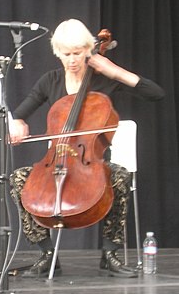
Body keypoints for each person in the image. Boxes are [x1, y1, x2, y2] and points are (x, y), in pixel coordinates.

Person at [9, 19, 165, 278]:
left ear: (89, 50)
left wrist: (115, 72)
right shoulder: (51, 81)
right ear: (58, 53)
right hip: (56, 162)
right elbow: (21, 112)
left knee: (120, 176)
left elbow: (156, 94)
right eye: (67, 54)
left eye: (78, 53)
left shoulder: (103, 78)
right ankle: (47, 254)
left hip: (92, 162)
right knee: (18, 179)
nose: (72, 60)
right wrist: (17, 122)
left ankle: (110, 253)